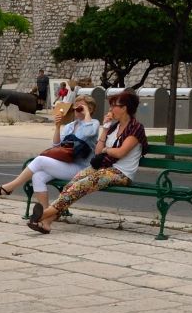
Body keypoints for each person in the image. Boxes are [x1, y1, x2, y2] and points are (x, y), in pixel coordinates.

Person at [28, 91, 147, 234]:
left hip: (121, 173)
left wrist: (106, 150)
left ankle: (43, 214)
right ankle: (47, 223)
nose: (110, 110)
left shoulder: (136, 128)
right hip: (104, 167)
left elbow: (121, 152)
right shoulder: (114, 127)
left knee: (81, 185)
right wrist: (105, 129)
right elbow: (98, 151)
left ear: (124, 108)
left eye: (113, 106)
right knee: (72, 184)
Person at [0, 98, 99, 212]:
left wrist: (86, 113)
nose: (76, 109)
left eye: (80, 107)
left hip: (82, 169)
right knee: (38, 176)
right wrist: (57, 127)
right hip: (66, 164)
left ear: (90, 109)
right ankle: (45, 212)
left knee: (40, 160)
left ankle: (10, 187)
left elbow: (88, 133)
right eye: (75, 107)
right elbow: (56, 146)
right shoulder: (70, 126)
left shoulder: (93, 123)